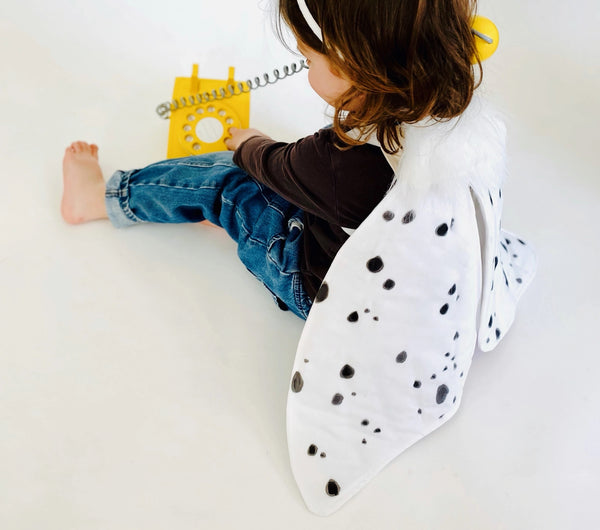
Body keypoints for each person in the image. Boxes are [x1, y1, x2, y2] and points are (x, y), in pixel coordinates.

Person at [60, 0, 481, 320]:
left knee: (229, 180)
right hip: (421, 293)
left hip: (320, 294)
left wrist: (248, 144)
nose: (304, 66)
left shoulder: (340, 162)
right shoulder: (455, 115)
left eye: (309, 58)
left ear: (353, 66)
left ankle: (100, 197)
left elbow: (275, 165)